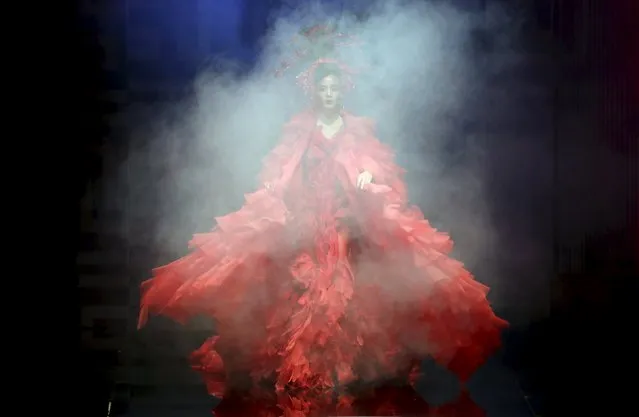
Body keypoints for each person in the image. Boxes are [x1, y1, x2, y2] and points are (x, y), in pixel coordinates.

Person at [138, 28, 507, 416]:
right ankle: (310, 368)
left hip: (345, 224)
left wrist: (369, 178)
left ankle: (346, 368)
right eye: (323, 88)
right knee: (306, 289)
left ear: (343, 89)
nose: (329, 93)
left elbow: (379, 169)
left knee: (343, 287)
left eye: (334, 87)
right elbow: (282, 168)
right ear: (315, 92)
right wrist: (274, 189)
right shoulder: (302, 130)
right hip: (307, 222)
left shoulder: (357, 128)